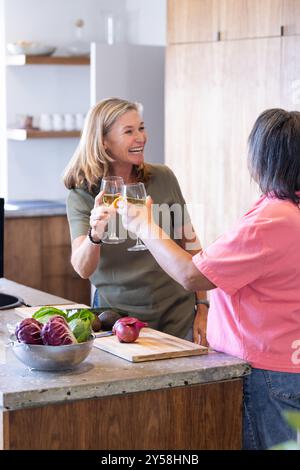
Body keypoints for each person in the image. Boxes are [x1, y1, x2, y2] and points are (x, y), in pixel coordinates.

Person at [118, 108, 300, 449]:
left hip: (268, 374)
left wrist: (144, 224)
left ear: (264, 159)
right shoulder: (288, 209)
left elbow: (192, 275)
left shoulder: (273, 219)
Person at [63, 97, 208, 343]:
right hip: (120, 323)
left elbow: (192, 244)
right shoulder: (83, 193)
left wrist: (203, 306)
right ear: (104, 142)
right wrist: (94, 234)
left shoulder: (163, 177)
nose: (140, 137)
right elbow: (82, 268)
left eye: (141, 128)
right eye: (129, 131)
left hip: (178, 315)